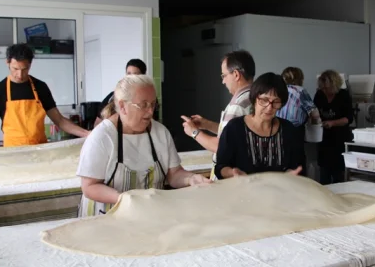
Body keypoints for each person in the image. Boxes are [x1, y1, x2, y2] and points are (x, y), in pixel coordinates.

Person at [78, 75, 209, 216]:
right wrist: (123, 199)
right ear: (122, 106)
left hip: (147, 215)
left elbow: (174, 174)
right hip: (107, 219)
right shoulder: (102, 137)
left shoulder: (160, 133)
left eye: (153, 104)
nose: (150, 111)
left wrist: (191, 179)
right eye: (143, 105)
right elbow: (89, 186)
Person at [0, 43, 89, 147]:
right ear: (7, 63)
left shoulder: (40, 87)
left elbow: (60, 121)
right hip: (12, 154)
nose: (20, 75)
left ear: (30, 65)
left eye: (24, 69)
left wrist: (87, 134)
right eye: (15, 69)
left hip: (40, 150)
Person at [215, 72, 305, 179]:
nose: (269, 107)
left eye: (276, 102)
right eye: (264, 100)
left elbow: (299, 165)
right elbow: (220, 167)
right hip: (243, 192)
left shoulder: (288, 130)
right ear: (254, 99)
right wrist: (232, 172)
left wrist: (293, 173)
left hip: (279, 192)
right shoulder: (234, 128)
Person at [181, 50, 255, 178]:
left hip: (231, 175)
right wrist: (207, 125)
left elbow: (221, 147)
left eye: (224, 76)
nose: (223, 82)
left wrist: (194, 132)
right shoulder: (255, 98)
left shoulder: (238, 106)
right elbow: (235, 135)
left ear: (236, 74)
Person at [314, 70, 353, 184]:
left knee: (338, 174)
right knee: (324, 173)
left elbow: (348, 119)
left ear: (334, 85)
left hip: (339, 139)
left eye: (327, 88)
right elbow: (314, 111)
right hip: (324, 139)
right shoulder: (319, 95)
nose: (324, 91)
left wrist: (332, 123)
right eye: (322, 88)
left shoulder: (343, 95)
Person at [94, 58, 159, 126]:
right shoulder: (112, 96)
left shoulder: (150, 99)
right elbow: (98, 123)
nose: (130, 77)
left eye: (135, 74)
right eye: (129, 74)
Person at [276, 66, 321, 137]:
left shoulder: (277, 90)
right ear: (299, 79)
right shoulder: (300, 91)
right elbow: (315, 114)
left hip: (276, 129)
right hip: (294, 131)